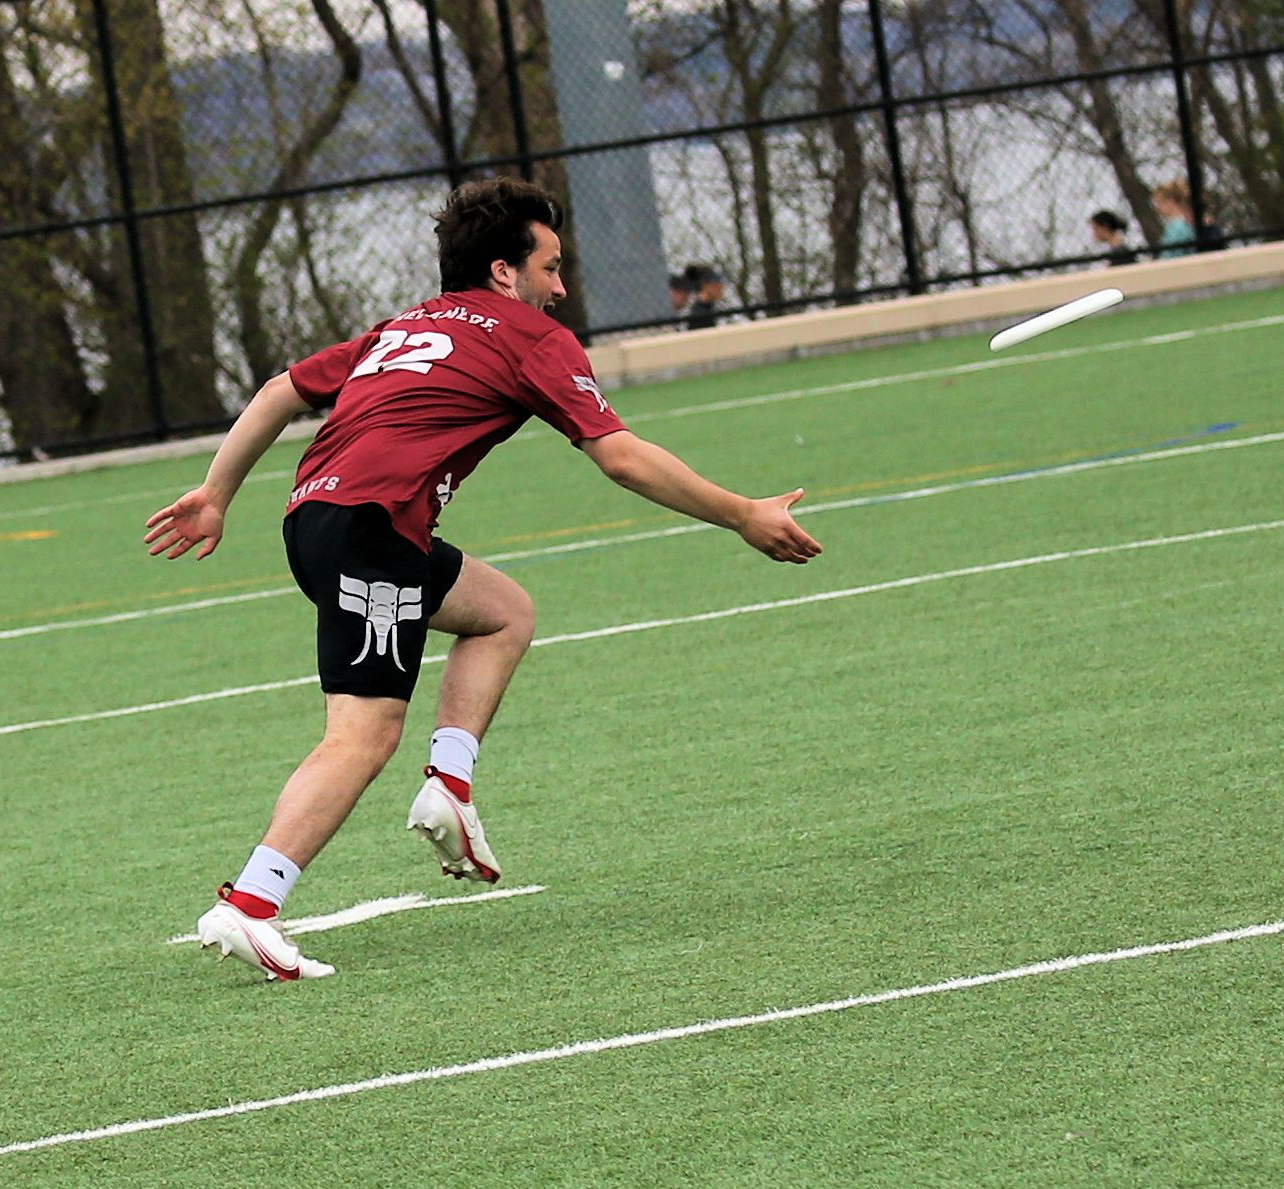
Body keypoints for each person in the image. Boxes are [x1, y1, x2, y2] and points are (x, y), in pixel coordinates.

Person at [143, 178, 821, 982]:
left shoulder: (406, 323)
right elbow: (620, 457)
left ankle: (449, 786)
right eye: (551, 267)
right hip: (373, 531)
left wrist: (217, 494)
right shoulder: (530, 336)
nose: (559, 289)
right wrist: (741, 513)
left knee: (502, 612)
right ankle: (252, 904)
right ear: (505, 271)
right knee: (361, 734)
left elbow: (277, 393)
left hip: (319, 518)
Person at [1151, 180, 1196, 259]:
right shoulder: (1180, 224)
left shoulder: (1178, 227)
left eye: (1159, 202)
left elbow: (1170, 256)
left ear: (1171, 201)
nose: (1157, 207)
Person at [683, 264, 726, 329]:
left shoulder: (708, 308)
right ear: (704, 285)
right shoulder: (699, 314)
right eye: (716, 281)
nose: (721, 285)